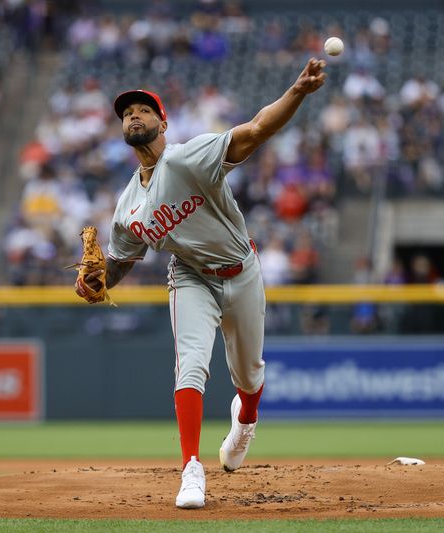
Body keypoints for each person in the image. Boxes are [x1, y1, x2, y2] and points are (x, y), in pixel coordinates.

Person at [74, 58, 327, 509]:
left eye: (143, 109)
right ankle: (191, 469)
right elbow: (120, 261)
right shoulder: (127, 206)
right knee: (190, 365)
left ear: (163, 122)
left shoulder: (189, 157)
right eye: (127, 112)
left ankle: (245, 420)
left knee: (249, 377)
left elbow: (254, 130)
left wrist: (298, 92)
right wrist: (98, 281)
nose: (133, 114)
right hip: (190, 277)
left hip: (241, 270)